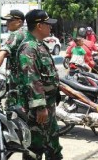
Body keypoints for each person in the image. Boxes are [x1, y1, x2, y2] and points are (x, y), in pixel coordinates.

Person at [17, 9, 62, 160]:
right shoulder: (29, 47)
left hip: (48, 108)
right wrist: (40, 107)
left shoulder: (39, 45)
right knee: (34, 150)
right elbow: (32, 79)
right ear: (39, 26)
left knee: (53, 149)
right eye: (48, 24)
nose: (51, 27)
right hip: (37, 112)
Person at [0, 9, 25, 107]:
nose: (7, 23)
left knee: (11, 109)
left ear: (19, 22)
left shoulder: (16, 34)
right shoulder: (27, 34)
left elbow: (2, 53)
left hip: (17, 79)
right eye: (6, 21)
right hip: (26, 79)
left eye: (10, 21)